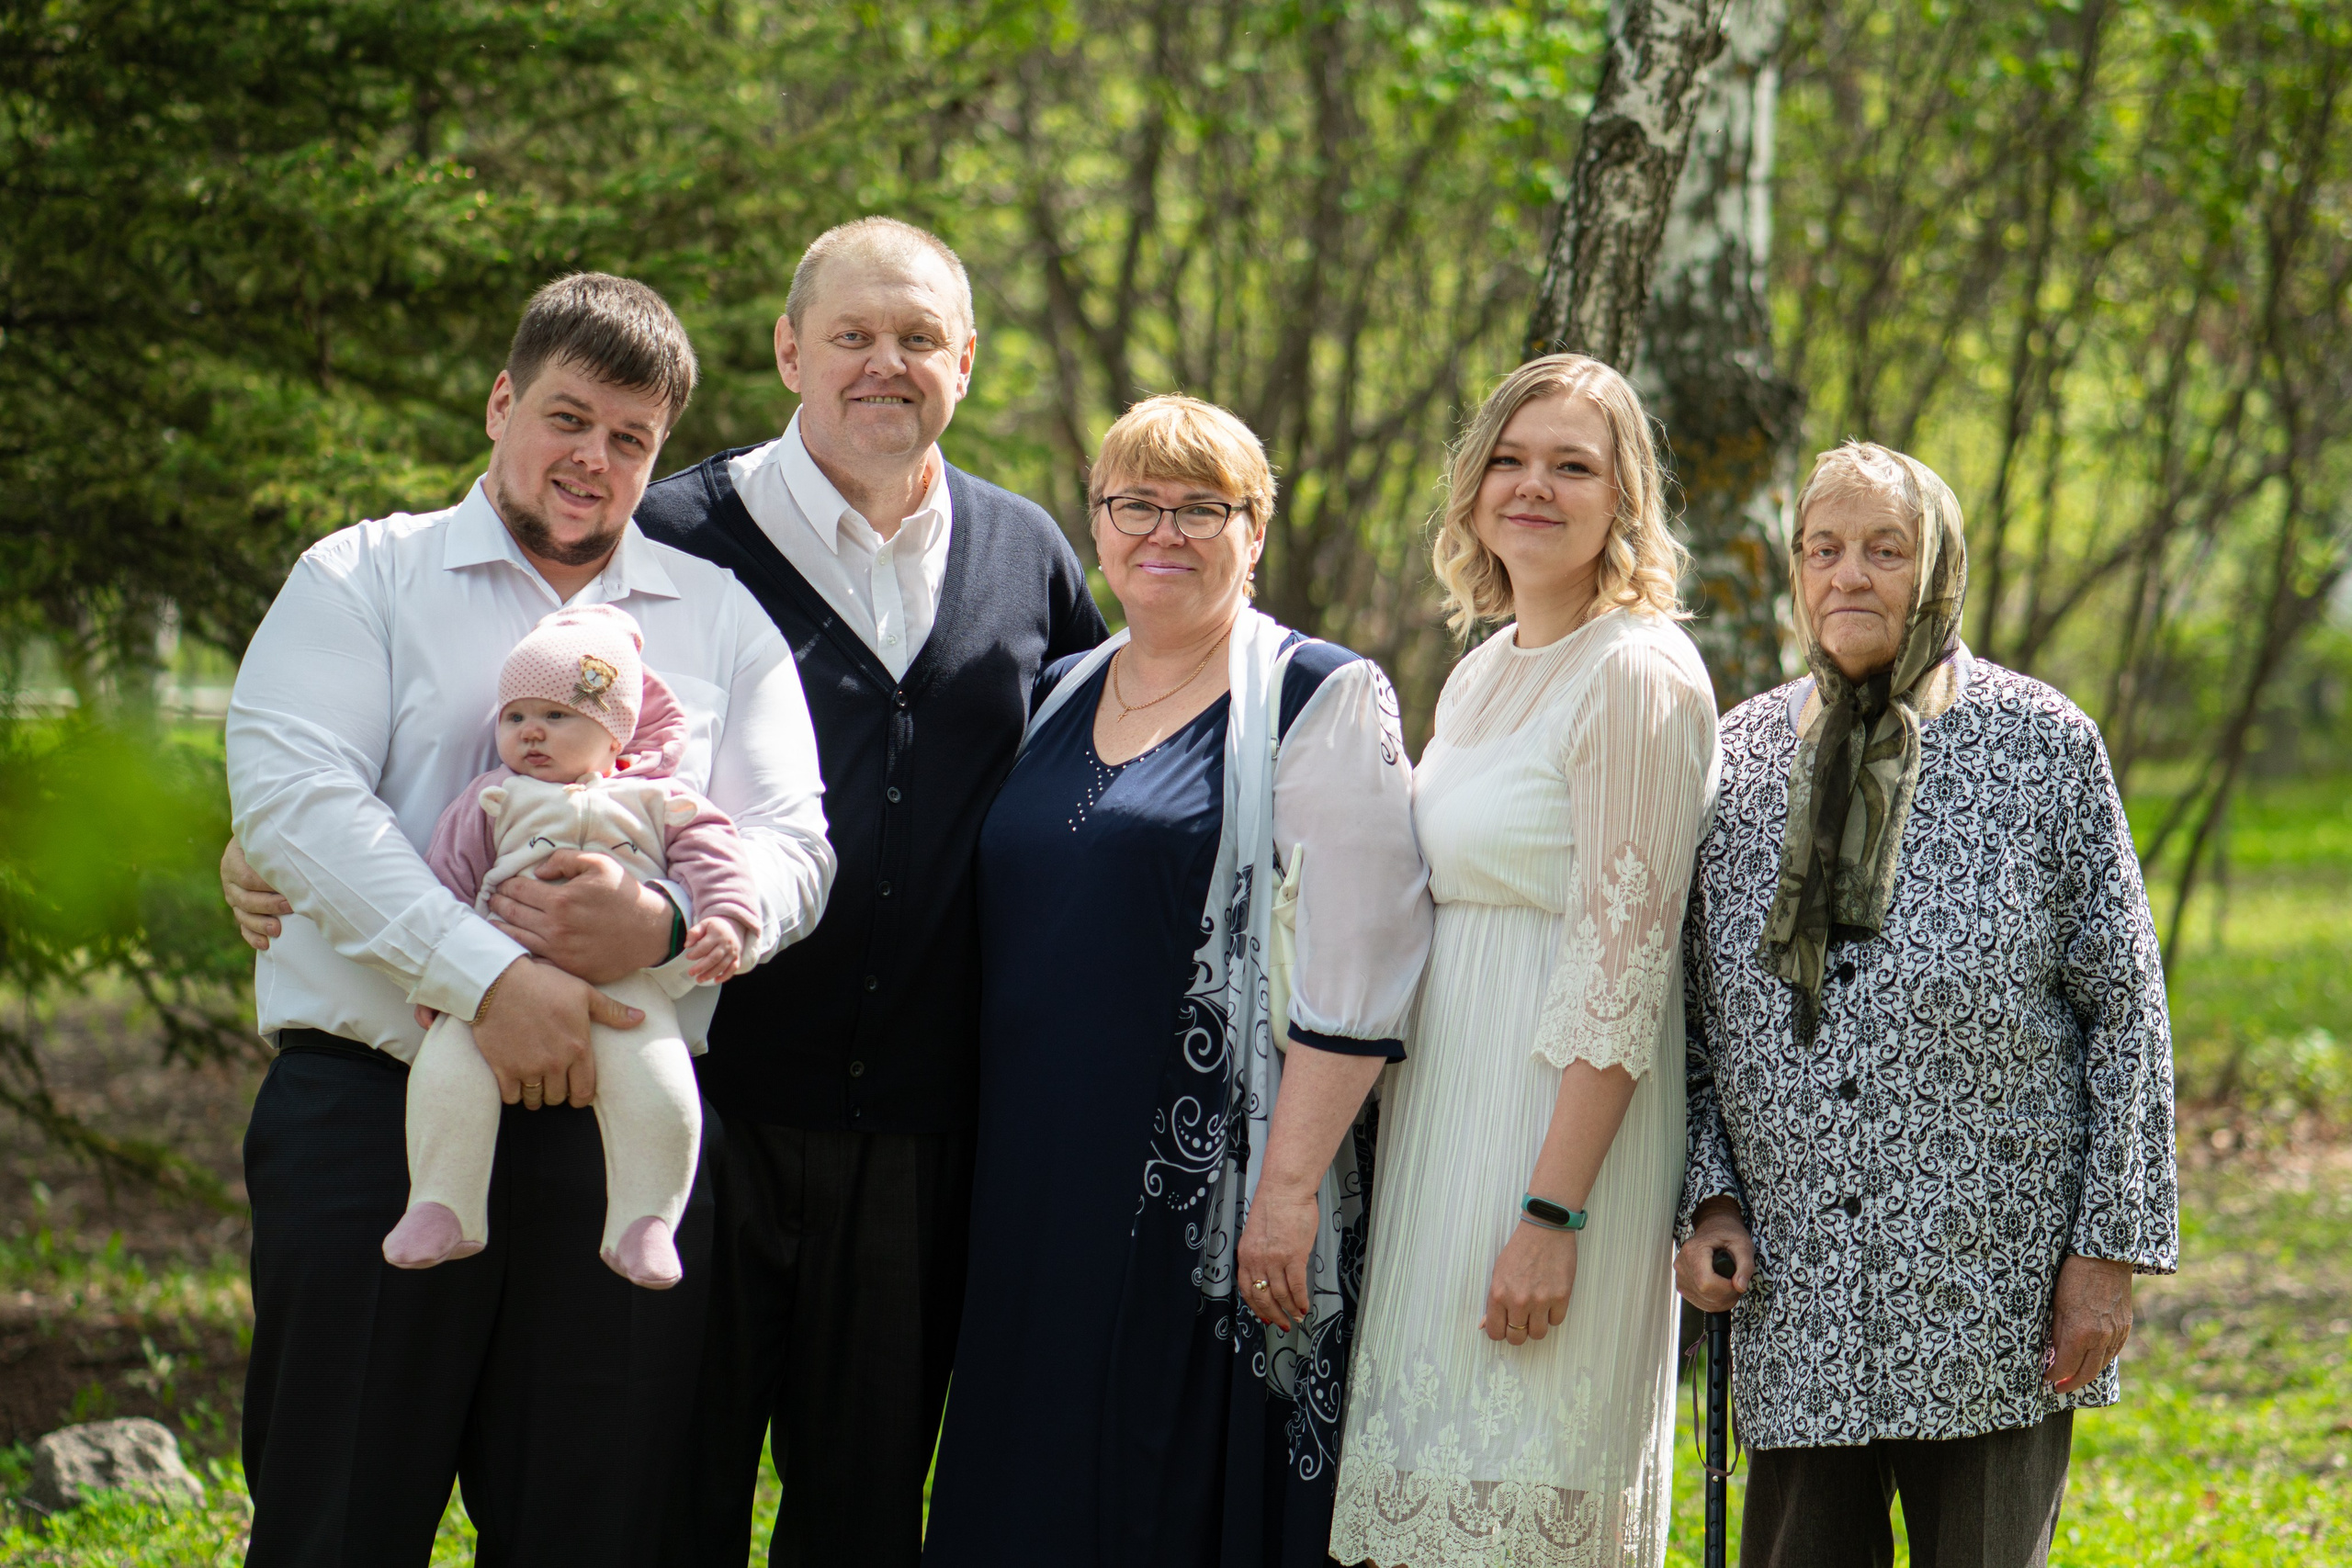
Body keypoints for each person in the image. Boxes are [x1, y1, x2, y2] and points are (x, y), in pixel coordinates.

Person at [219, 273, 833, 1566]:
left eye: (630, 437)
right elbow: (296, 798)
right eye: (566, 416)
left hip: (621, 1148)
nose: (591, 458)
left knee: (598, 1529)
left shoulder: (720, 619)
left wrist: (667, 929)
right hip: (376, 1116)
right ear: (503, 402)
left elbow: (793, 842)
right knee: (336, 1517)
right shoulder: (363, 577)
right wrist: (493, 979)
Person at [629, 218, 1110, 1566]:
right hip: (698, 1104)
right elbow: (515, 702)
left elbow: (1113, 780)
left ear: (965, 357)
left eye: (916, 338)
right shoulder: (677, 535)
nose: (883, 363)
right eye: (852, 334)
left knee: (863, 1510)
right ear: (790, 350)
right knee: (669, 1488)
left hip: (924, 1136)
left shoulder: (1029, 555)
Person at [922, 395, 1434, 1567]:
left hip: (1205, 1193)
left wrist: (1290, 1191)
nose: (1166, 530)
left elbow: (1368, 963)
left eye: (1204, 507)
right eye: (1135, 504)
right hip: (1030, 1183)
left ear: (1254, 531)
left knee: (1162, 1497)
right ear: (1095, 527)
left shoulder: (1317, 697)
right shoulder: (1058, 689)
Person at [1673, 440, 2177, 1568]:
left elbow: (2126, 1012)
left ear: (1937, 567)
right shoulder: (1742, 758)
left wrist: (2108, 1254)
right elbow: (1692, 1023)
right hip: (1798, 1295)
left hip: (1990, 1292)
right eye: (1823, 548)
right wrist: (1707, 1201)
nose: (1848, 574)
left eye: (1884, 550)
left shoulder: (2041, 745)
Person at [1329, 354, 1721, 1568]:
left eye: (1572, 465)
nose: (1533, 486)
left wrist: (1552, 1210)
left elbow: (1627, 965)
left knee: (1524, 1494)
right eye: (1509, 457)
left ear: (1625, 500)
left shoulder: (1639, 672)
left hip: (1553, 1154)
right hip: (1441, 1138)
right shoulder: (1485, 665)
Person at [387, 604, 763, 1290]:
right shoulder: (492, 798)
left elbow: (719, 857)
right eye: (515, 716)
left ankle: (646, 1221)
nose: (531, 731)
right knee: (445, 1072)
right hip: (500, 977)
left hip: (626, 982)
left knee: (662, 1082)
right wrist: (438, 982)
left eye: (557, 716)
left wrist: (728, 920)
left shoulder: (657, 798)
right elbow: (445, 882)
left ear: (613, 726)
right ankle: (441, 1201)